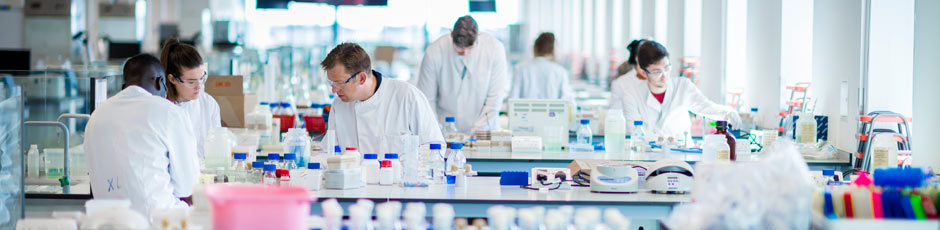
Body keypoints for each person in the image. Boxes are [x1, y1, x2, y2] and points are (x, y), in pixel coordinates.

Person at [85, 54, 199, 216]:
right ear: (161, 82)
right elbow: (187, 185)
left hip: (107, 222)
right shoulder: (169, 112)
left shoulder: (96, 116)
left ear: (124, 86)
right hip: (158, 221)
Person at [323, 43, 445, 154]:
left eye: (339, 83)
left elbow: (434, 147)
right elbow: (329, 152)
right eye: (331, 83)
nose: (334, 90)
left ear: (361, 78)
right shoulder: (339, 105)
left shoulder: (407, 96)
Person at [609, 40, 742, 139]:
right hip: (648, 159)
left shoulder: (683, 86)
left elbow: (706, 107)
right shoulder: (632, 94)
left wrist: (727, 112)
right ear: (643, 73)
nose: (664, 76)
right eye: (657, 72)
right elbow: (634, 132)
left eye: (667, 68)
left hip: (682, 158)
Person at [417, 15, 510, 134]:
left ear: (479, 36)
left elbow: (495, 96)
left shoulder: (495, 49)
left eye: (469, 48)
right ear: (451, 35)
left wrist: (479, 129)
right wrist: (435, 132)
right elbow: (427, 99)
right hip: (445, 131)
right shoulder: (434, 51)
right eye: (459, 49)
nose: (465, 53)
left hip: (484, 131)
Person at [161, 38, 221, 160]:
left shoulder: (208, 104)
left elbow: (218, 147)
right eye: (191, 82)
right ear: (172, 79)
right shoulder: (161, 107)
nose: (199, 86)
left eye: (202, 78)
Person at [508, 32, 575, 106]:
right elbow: (568, 102)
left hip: (525, 117)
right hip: (553, 116)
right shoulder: (560, 71)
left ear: (534, 48)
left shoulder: (520, 69)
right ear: (553, 50)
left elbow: (512, 100)